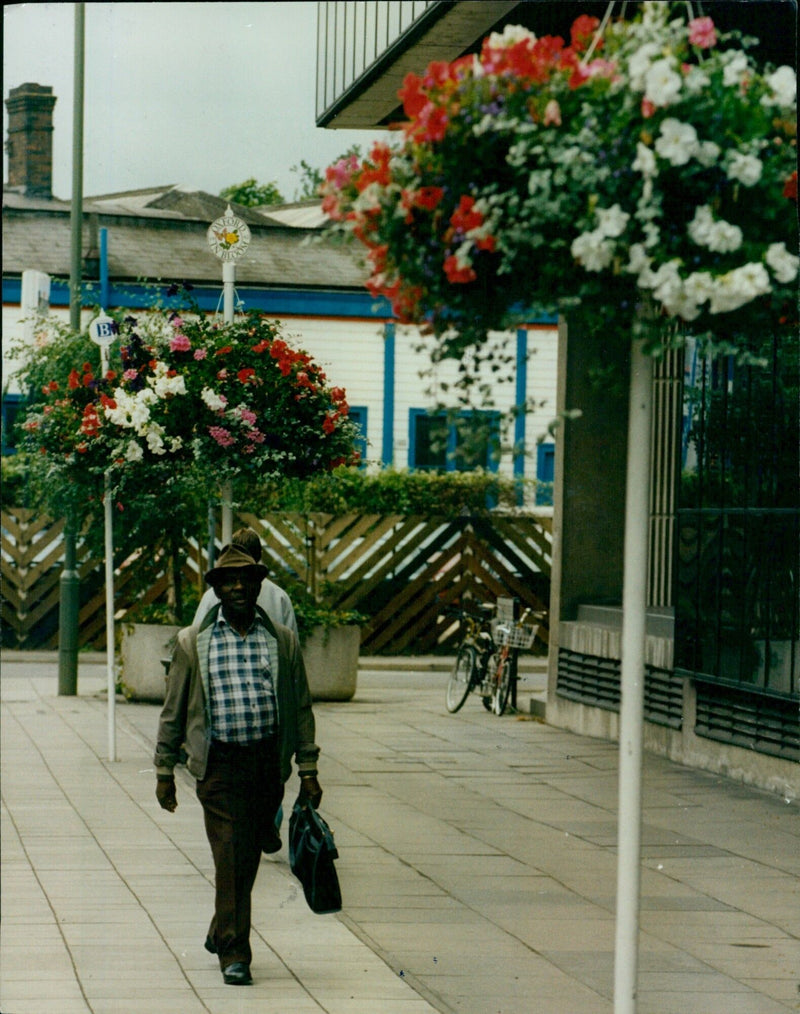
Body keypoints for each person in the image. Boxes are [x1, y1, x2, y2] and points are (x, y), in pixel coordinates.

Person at [154, 543, 322, 987]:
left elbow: (301, 708)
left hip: (267, 767)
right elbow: (173, 711)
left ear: (257, 585)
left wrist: (308, 770)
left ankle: (218, 927)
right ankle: (235, 952)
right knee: (230, 854)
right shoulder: (194, 642)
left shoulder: (281, 642)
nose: (237, 588)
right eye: (228, 581)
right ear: (218, 590)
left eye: (245, 581)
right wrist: (163, 770)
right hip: (220, 767)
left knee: (245, 858)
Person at [193, 526, 298, 637]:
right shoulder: (279, 596)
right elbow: (291, 642)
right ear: (260, 554)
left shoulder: (212, 594)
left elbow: (197, 636)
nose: (239, 587)